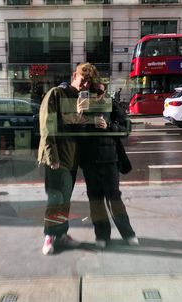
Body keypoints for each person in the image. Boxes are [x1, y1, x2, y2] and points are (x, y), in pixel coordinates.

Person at [38, 63, 98, 255]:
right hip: (56, 156)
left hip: (71, 157)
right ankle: (49, 236)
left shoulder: (80, 99)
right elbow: (47, 125)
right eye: (83, 79)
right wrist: (51, 156)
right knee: (56, 198)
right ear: (74, 75)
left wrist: (84, 114)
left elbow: (79, 128)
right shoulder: (56, 93)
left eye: (89, 81)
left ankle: (61, 234)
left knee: (65, 199)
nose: (86, 84)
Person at [77, 81, 139, 248]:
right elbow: (72, 132)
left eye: (100, 92)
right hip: (90, 161)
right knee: (95, 200)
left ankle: (128, 234)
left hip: (110, 159)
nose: (97, 95)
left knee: (114, 198)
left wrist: (108, 126)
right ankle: (102, 236)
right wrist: (79, 118)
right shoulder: (81, 106)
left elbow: (126, 128)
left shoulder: (111, 105)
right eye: (93, 91)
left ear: (105, 92)